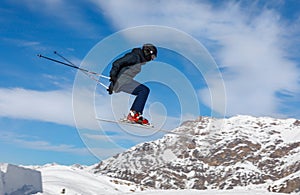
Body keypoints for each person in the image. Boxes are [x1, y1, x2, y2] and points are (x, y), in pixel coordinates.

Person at [107, 43, 157, 125]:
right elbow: (117, 63)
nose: (151, 59)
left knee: (143, 91)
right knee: (143, 90)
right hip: (122, 81)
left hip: (123, 81)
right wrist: (113, 76)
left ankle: (134, 115)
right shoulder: (134, 56)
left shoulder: (138, 59)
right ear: (148, 52)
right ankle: (134, 114)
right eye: (152, 57)